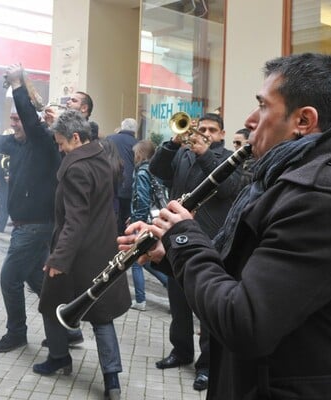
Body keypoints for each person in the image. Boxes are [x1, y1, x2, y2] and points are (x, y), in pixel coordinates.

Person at [120, 52, 331, 399]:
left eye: (263, 106)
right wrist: (170, 249)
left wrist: (184, 235)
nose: (251, 119)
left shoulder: (319, 200)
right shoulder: (294, 177)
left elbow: (243, 321)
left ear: (303, 120)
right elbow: (243, 272)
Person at [0, 64, 76, 353]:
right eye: (12, 119)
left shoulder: (42, 140)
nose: (16, 124)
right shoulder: (15, 143)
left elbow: (32, 122)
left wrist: (18, 85)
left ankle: (16, 332)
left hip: (35, 226)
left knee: (9, 278)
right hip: (27, 225)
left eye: (19, 119)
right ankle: (68, 324)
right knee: (37, 280)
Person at [35, 109, 130, 400]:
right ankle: (112, 381)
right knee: (102, 316)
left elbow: (74, 221)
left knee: (50, 305)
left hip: (77, 254)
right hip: (103, 248)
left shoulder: (76, 168)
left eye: (62, 142)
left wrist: (58, 259)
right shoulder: (104, 153)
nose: (60, 148)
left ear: (76, 138)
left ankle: (59, 357)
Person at [148, 112, 242, 391]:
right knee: (178, 302)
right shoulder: (184, 153)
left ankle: (207, 366)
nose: (204, 134)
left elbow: (228, 189)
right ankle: (181, 351)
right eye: (201, 129)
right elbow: (157, 170)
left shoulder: (230, 158)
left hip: (210, 241)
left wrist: (204, 154)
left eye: (212, 130)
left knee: (207, 311)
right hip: (178, 240)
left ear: (222, 134)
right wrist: (173, 144)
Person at [128, 140, 168, 311]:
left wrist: (137, 221)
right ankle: (172, 288)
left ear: (140, 154)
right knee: (147, 259)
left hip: (145, 221)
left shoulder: (143, 172)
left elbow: (142, 200)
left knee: (137, 260)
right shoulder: (157, 171)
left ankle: (140, 300)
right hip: (156, 219)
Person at [106, 118, 138, 235]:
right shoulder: (136, 142)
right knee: (125, 217)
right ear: (135, 130)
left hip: (111, 183)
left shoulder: (110, 138)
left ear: (122, 126)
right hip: (129, 186)